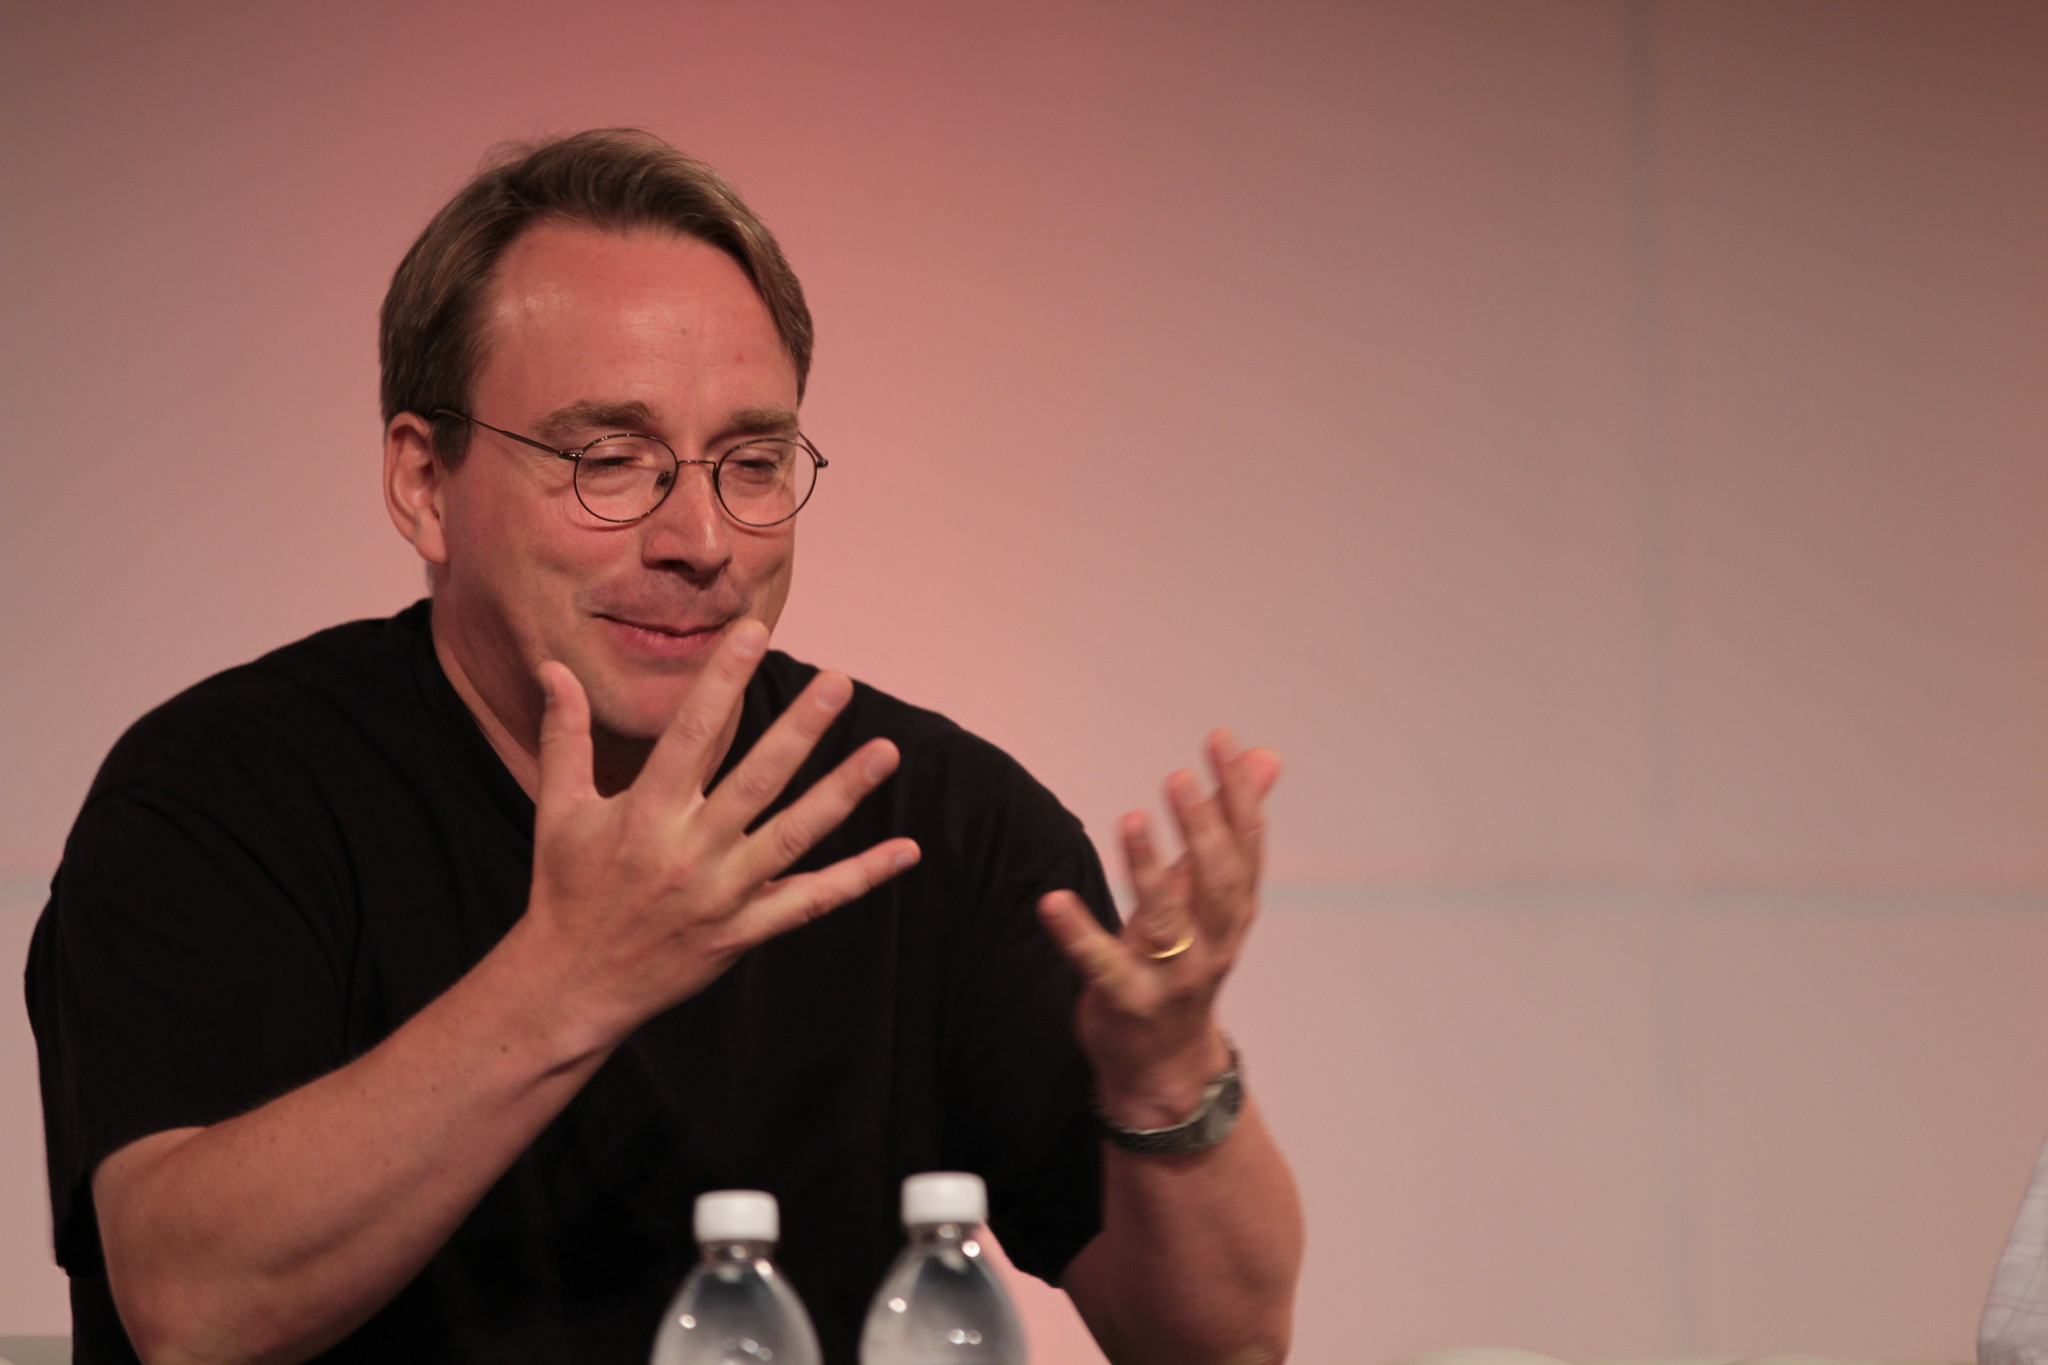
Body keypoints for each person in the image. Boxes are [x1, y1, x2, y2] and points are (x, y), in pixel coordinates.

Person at [27, 129, 1303, 1365]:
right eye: (609, 458)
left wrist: (1166, 1077)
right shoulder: (223, 793)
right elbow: (191, 1310)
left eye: (750, 461)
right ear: (425, 483)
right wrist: (570, 978)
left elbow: (1223, 1338)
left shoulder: (933, 818)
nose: (700, 536)